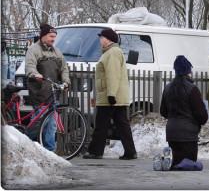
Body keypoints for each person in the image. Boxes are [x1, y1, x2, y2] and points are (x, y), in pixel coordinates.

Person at [82, 29, 137, 160]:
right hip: (116, 96)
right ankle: (130, 152)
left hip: (110, 96)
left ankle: (95, 151)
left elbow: (112, 75)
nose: (100, 40)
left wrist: (111, 95)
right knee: (122, 124)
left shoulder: (112, 53)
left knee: (101, 124)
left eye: (102, 38)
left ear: (108, 40)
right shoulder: (113, 52)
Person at [156, 55, 208, 171]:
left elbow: (163, 111)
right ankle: (175, 165)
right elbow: (202, 115)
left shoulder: (168, 88)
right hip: (188, 135)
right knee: (190, 165)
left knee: (177, 161)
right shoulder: (192, 89)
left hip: (171, 133)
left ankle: (168, 163)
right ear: (189, 72)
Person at [25, 23, 70, 151]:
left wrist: (66, 81)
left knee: (52, 126)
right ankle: (25, 142)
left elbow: (64, 69)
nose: (53, 39)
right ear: (43, 36)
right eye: (51, 36)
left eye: (54, 37)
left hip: (53, 94)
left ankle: (50, 151)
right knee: (40, 123)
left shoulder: (57, 52)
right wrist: (35, 74)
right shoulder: (34, 50)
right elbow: (29, 67)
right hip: (39, 94)